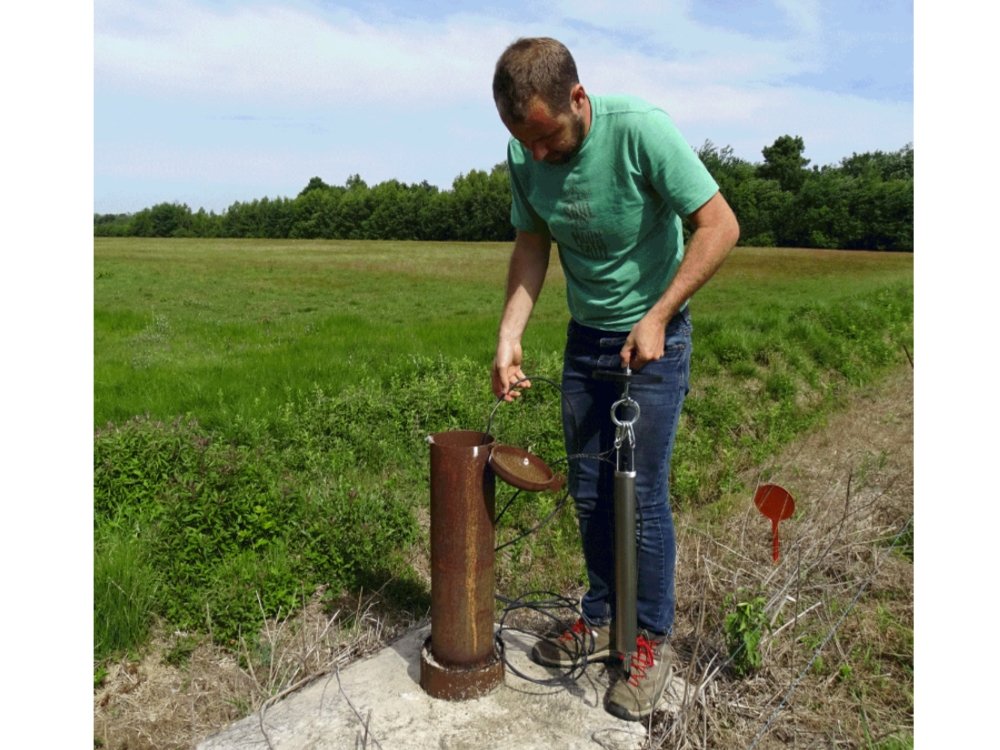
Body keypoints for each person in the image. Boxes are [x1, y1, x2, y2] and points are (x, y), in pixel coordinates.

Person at [490, 37, 740, 721]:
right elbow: (532, 245)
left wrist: (660, 314)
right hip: (585, 344)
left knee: (642, 494)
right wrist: (510, 336)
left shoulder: (641, 131)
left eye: (546, 137)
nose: (536, 155)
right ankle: (600, 616)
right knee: (593, 492)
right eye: (523, 140)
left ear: (578, 98)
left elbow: (719, 224)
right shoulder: (524, 151)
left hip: (652, 343)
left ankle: (649, 639)